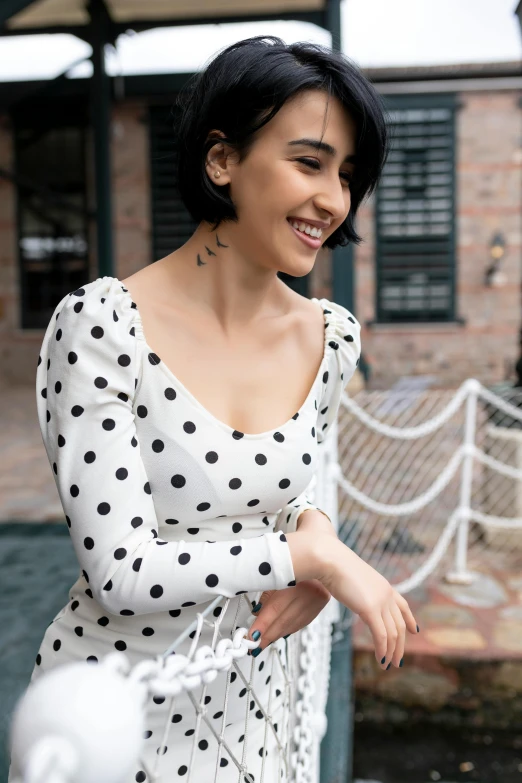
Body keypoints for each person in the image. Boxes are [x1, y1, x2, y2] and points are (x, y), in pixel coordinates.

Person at [10, 35, 418, 783]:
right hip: (113, 720)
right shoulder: (103, 326)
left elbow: (293, 489)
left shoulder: (329, 337)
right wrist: (314, 556)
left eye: (348, 174)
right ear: (222, 159)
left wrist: (314, 523)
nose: (334, 198)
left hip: (259, 703)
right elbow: (123, 570)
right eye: (309, 161)